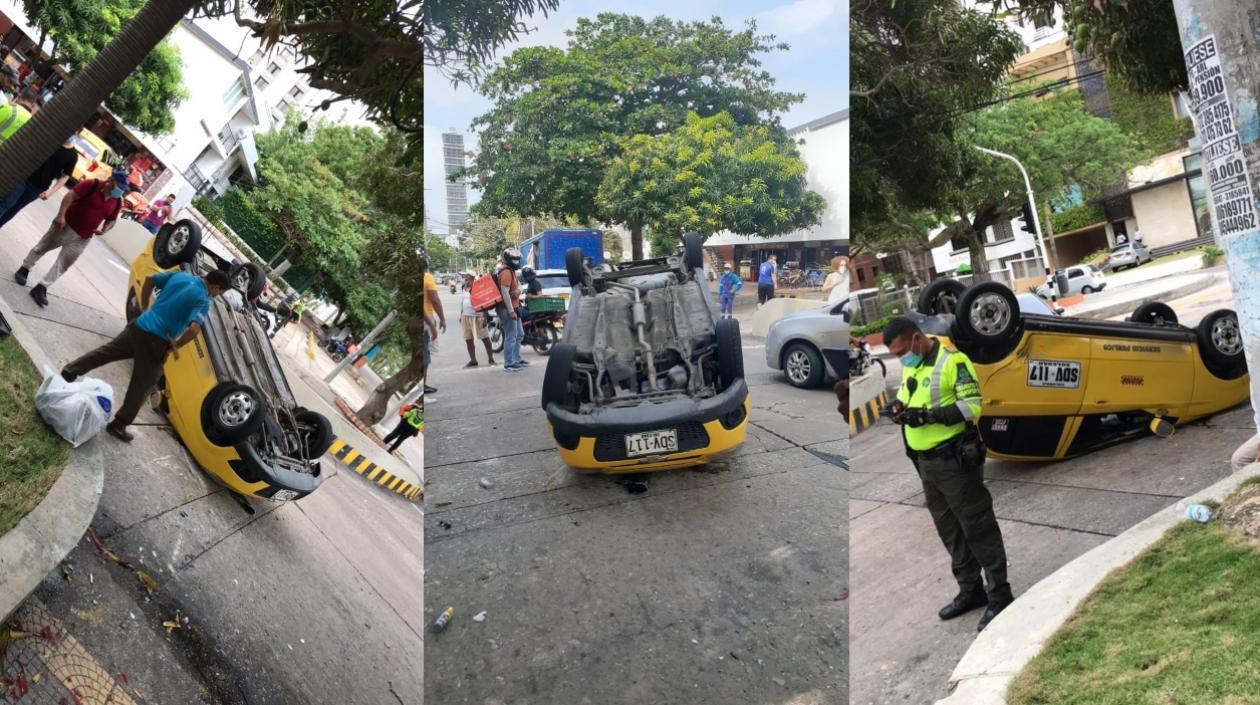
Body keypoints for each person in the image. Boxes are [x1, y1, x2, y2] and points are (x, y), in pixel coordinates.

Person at [884, 316, 1013, 632]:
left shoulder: (953, 361)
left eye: (903, 351)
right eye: (896, 355)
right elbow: (910, 396)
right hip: (926, 464)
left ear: (916, 339)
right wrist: (899, 409)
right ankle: (971, 590)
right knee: (950, 531)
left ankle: (1000, 595)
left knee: (978, 527)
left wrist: (929, 416)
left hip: (955, 461)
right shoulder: (912, 365)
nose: (902, 358)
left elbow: (973, 406)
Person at [61, 269, 231, 442]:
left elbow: (149, 280)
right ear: (215, 287)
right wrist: (175, 346)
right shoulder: (203, 299)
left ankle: (69, 371)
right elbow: (194, 329)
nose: (216, 296)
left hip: (140, 325)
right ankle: (119, 425)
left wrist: (143, 309)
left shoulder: (181, 275)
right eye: (219, 292)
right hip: (157, 341)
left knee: (105, 352)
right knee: (143, 385)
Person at [16, 169, 130, 307]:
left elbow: (112, 219)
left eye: (123, 189)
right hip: (66, 225)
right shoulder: (92, 184)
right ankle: (25, 268)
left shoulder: (117, 201)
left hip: (84, 237)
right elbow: (70, 196)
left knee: (64, 263)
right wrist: (60, 215)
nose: (121, 191)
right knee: (43, 247)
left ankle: (41, 287)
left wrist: (105, 228)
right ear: (111, 181)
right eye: (119, 187)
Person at [0, 134, 76, 228]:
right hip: (24, 178)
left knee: (15, 209)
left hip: (38, 188)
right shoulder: (51, 141)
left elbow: (65, 176)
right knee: (6, 202)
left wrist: (50, 192)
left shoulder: (72, 155)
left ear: (77, 134)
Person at [495, 247, 525, 372]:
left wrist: (518, 291)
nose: (516, 261)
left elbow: (517, 288)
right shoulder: (506, 272)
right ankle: (509, 363)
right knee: (511, 336)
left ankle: (517, 358)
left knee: (519, 335)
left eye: (517, 259)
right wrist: (511, 310)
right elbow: (505, 292)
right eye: (514, 259)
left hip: (515, 307)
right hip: (508, 309)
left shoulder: (512, 271)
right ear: (508, 259)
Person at [459, 272, 495, 368]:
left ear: (471, 277)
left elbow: (484, 302)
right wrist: (461, 314)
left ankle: (491, 359)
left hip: (477, 316)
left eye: (466, 277)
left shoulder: (478, 287)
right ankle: (473, 360)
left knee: (485, 338)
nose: (464, 278)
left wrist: (483, 317)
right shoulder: (464, 287)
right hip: (466, 316)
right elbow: (463, 301)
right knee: (468, 339)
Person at [423, 264, 445, 394]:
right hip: (426, 319)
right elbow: (435, 300)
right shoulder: (427, 277)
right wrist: (440, 319)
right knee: (425, 354)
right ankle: (423, 386)